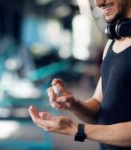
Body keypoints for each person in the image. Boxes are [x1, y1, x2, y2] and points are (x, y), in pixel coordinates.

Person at [28, 0, 131, 150]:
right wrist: (74, 105)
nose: (98, 3)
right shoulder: (112, 43)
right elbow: (98, 106)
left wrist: (75, 129)